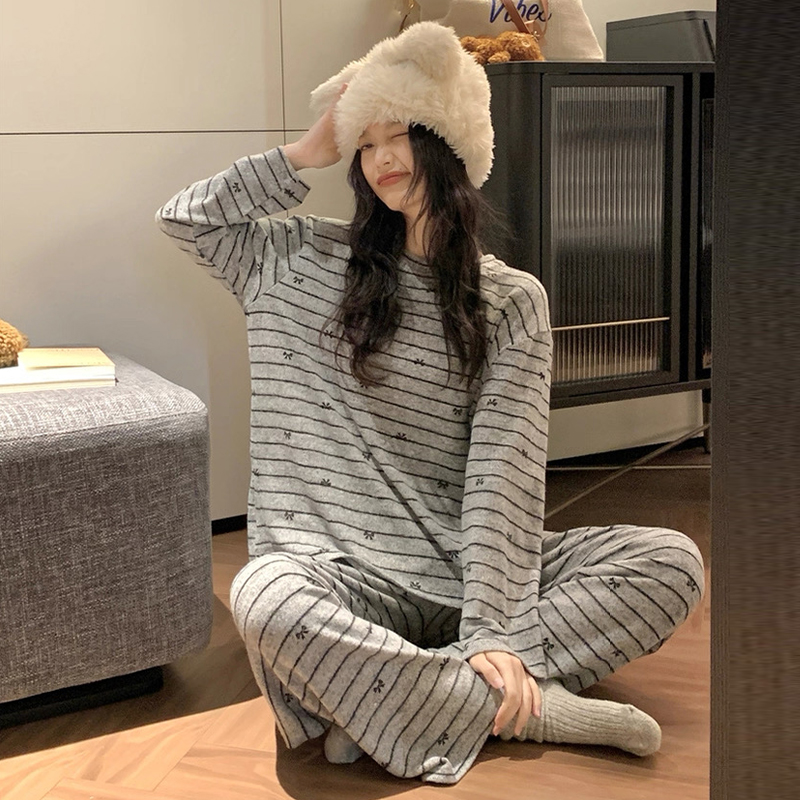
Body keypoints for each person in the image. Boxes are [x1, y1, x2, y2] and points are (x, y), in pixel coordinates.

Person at [156, 21, 704, 785]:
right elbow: (186, 219)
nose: (380, 157)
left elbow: (504, 474)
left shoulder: (509, 301)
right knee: (265, 597)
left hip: (462, 572)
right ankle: (517, 708)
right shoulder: (294, 261)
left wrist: (495, 628)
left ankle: (391, 700)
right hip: (341, 580)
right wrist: (306, 152)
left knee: (671, 562)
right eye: (365, 142)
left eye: (401, 134)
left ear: (451, 144)